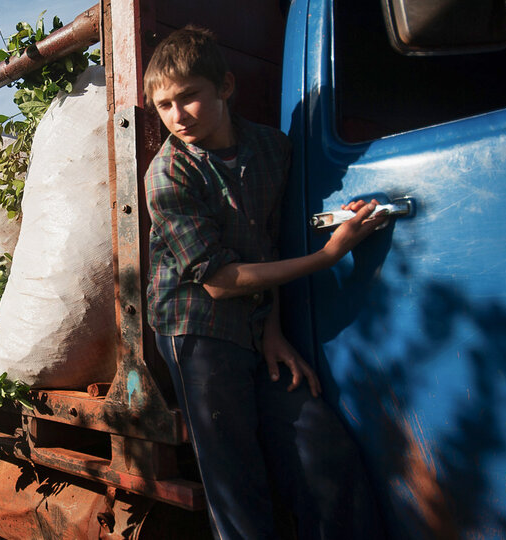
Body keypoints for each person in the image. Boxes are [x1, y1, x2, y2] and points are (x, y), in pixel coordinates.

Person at [144, 27, 382, 539]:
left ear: (225, 86)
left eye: (189, 96)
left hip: (255, 324)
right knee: (237, 487)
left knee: (324, 451)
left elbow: (264, 242)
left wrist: (272, 330)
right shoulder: (168, 175)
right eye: (164, 105)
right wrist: (329, 255)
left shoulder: (272, 148)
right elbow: (219, 281)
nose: (178, 116)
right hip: (197, 333)